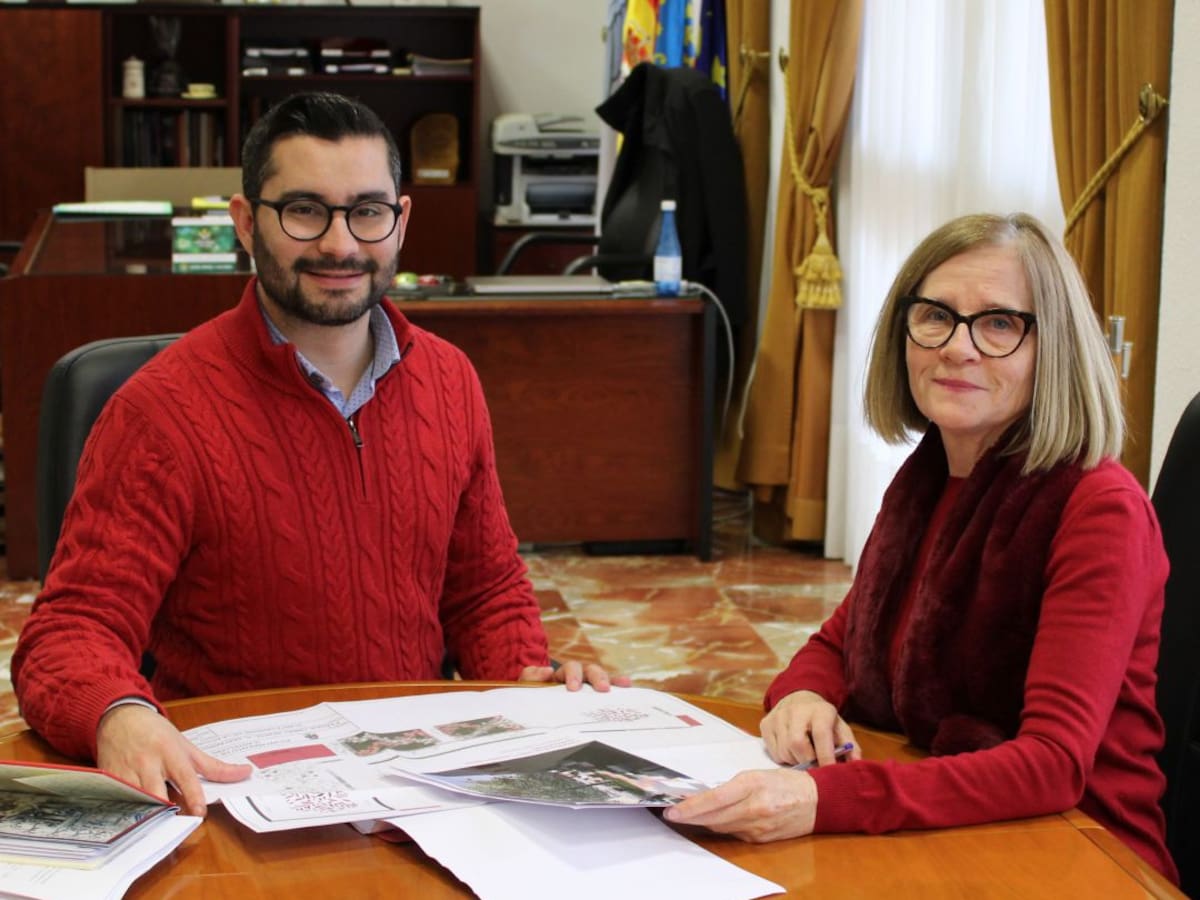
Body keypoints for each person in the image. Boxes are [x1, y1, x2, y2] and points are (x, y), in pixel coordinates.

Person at [12, 91, 627, 818]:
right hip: (240, 793)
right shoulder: (161, 412)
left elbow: (483, 591)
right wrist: (119, 715)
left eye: (367, 212)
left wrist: (524, 679)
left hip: (418, 787)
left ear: (400, 220)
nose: (340, 244)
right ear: (247, 222)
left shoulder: (449, 380)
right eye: (305, 210)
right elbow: (69, 634)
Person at [664, 212, 1178, 882]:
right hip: (950, 817)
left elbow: (1053, 764)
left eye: (999, 323)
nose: (957, 347)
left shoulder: (1098, 508)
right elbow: (838, 645)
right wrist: (802, 697)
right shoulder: (931, 475)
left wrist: (824, 798)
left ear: (1053, 348)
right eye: (936, 315)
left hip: (1082, 853)